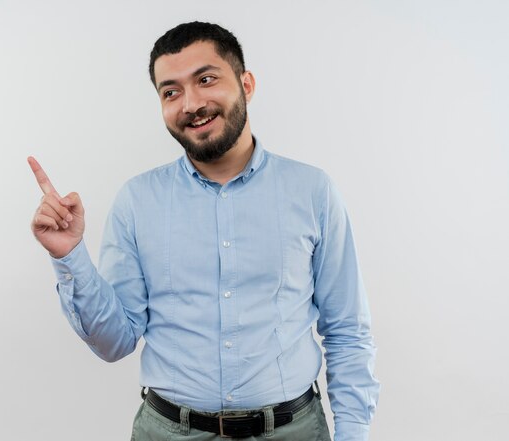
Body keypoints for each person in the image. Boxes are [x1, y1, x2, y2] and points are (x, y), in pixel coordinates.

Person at [29, 21, 379, 441]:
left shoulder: (313, 192)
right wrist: (69, 257)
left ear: (246, 84)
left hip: (293, 431)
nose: (191, 103)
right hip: (168, 432)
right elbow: (115, 341)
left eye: (206, 80)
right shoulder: (137, 201)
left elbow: (346, 329)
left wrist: (354, 432)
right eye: (170, 92)